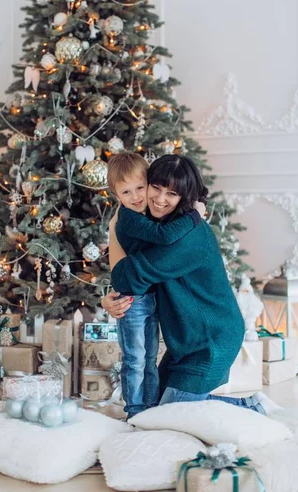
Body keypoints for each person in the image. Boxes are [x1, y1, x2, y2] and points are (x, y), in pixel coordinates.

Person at [103, 154, 280, 415]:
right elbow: (135, 275)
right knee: (154, 409)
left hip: (209, 341)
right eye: (156, 188)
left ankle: (252, 407)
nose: (160, 199)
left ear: (184, 197)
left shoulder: (186, 236)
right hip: (185, 342)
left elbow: (126, 276)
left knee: (169, 414)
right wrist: (111, 298)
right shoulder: (159, 224)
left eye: (171, 193)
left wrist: (112, 227)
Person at [107, 152, 205, 419]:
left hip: (149, 297)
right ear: (116, 196)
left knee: (149, 358)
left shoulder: (149, 213)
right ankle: (135, 410)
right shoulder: (129, 218)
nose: (136, 196)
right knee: (136, 359)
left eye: (141, 187)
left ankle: (149, 408)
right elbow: (163, 237)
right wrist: (196, 214)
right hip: (132, 299)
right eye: (126, 192)